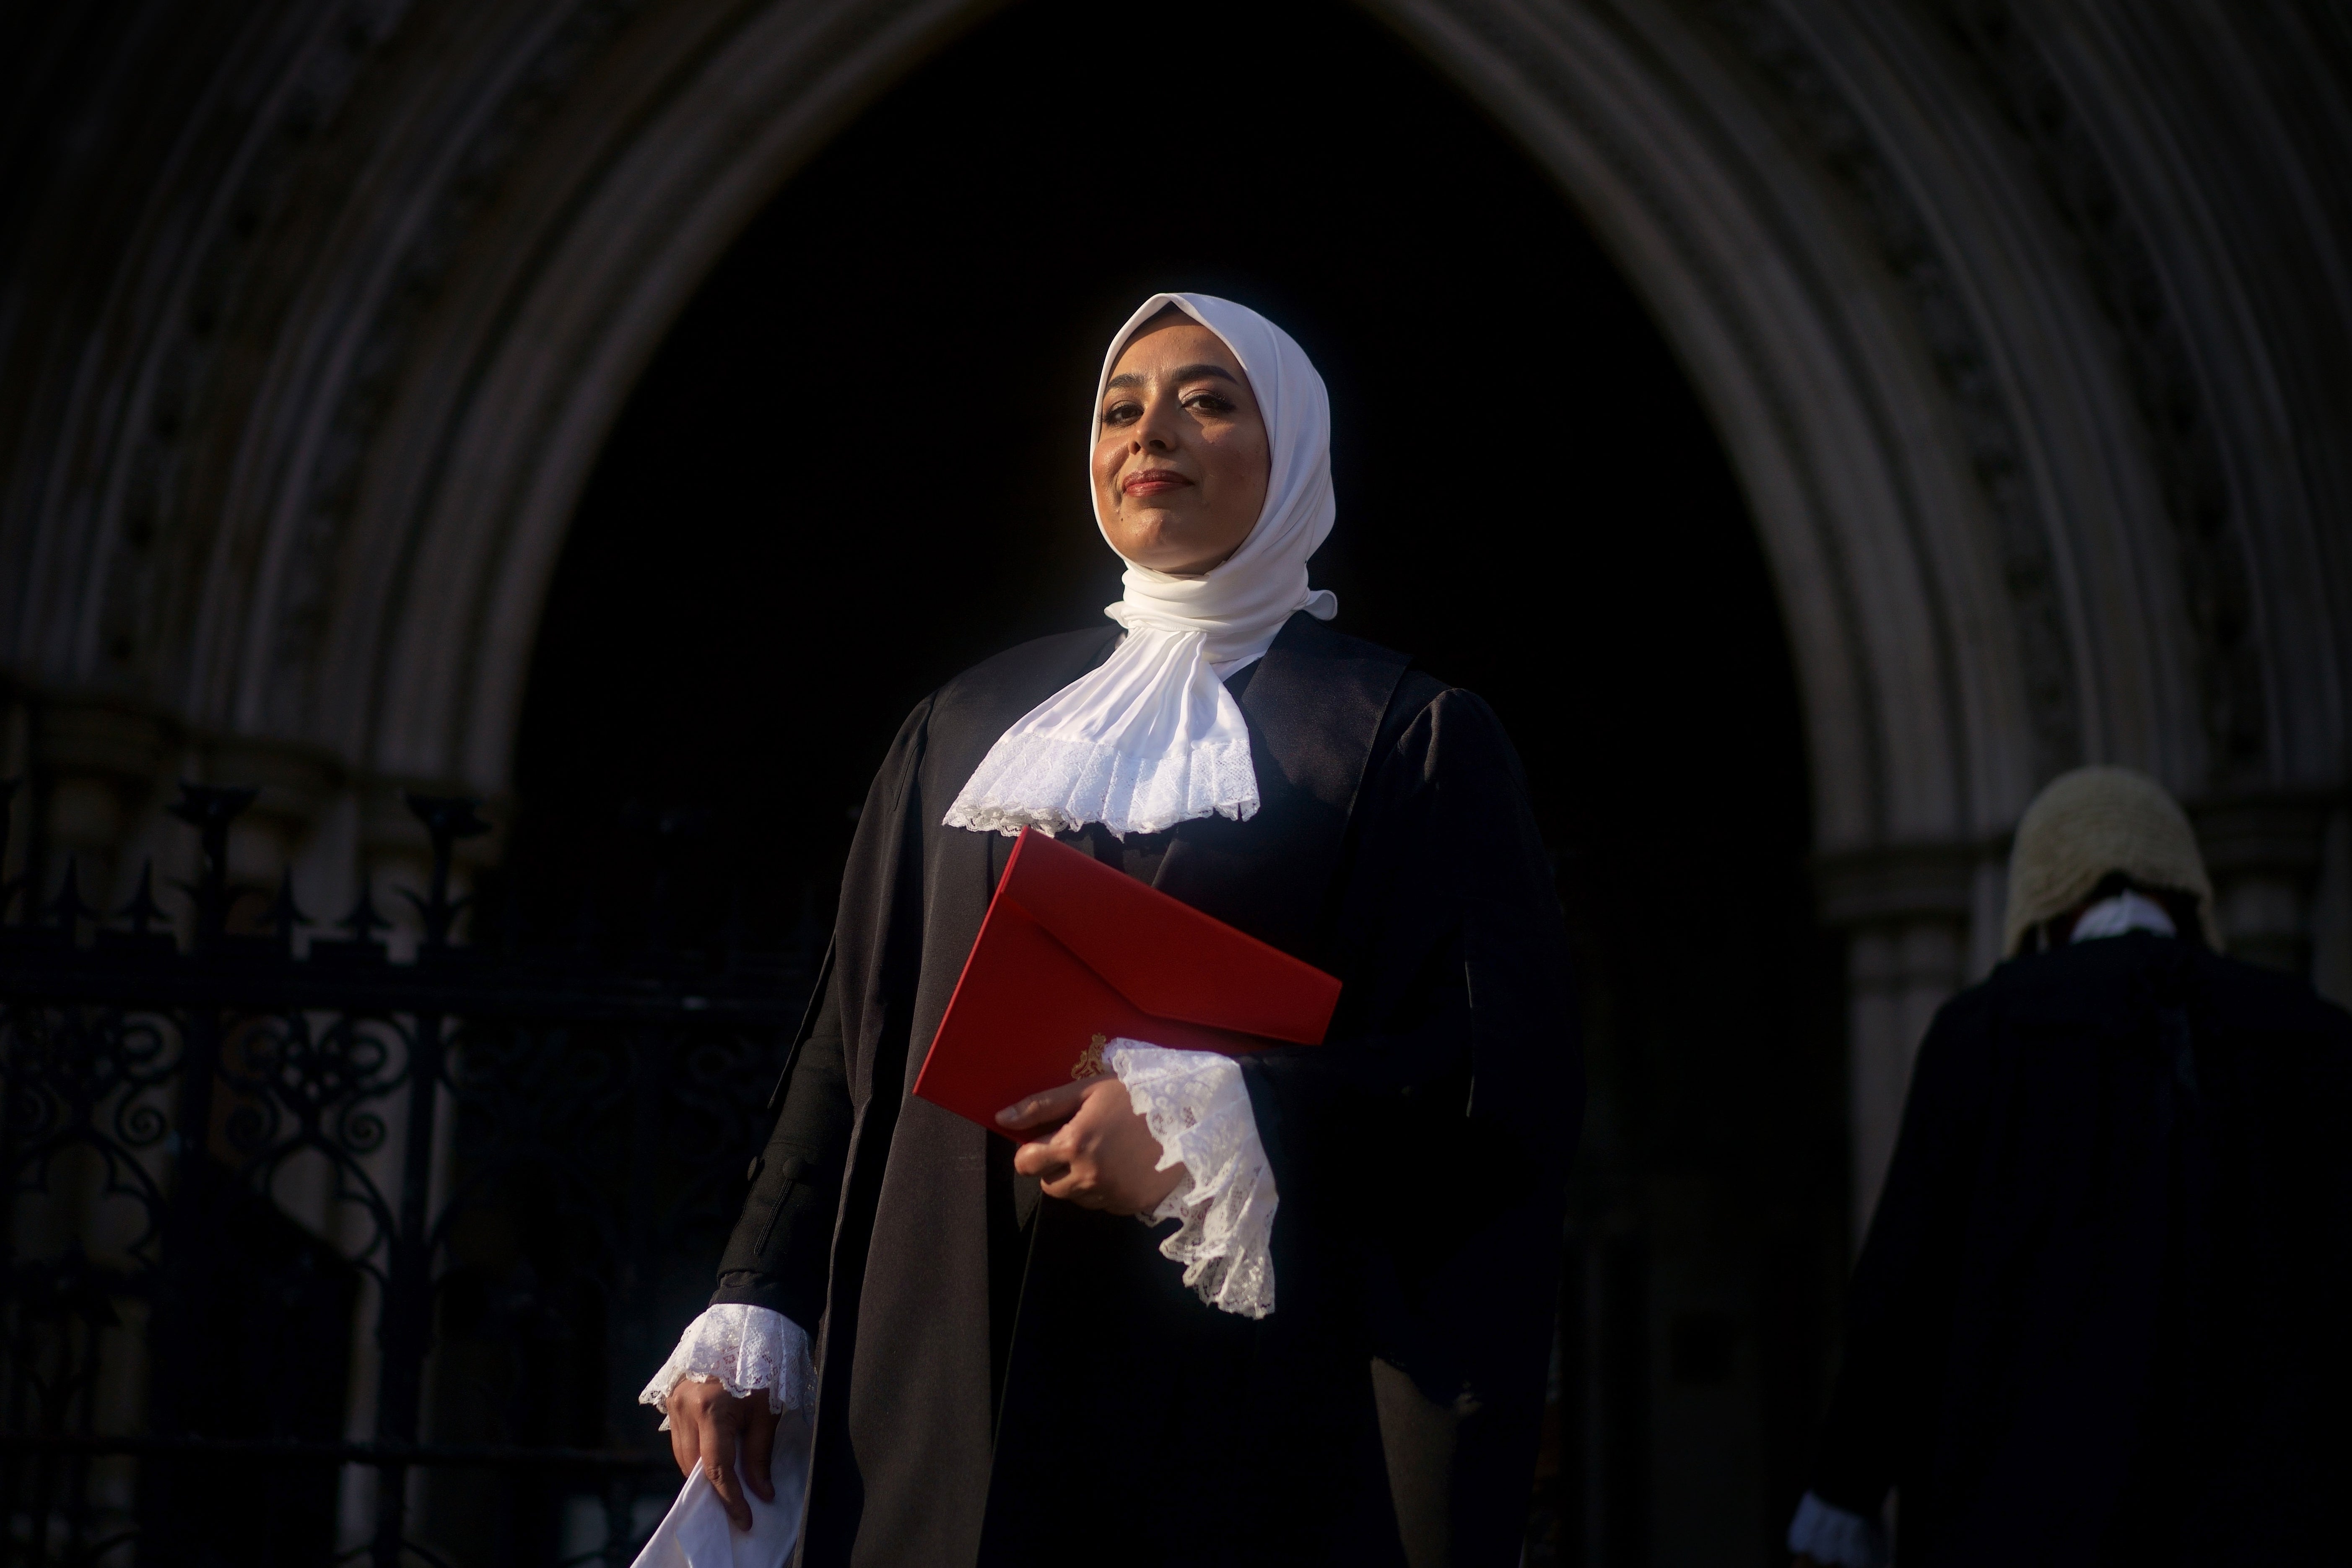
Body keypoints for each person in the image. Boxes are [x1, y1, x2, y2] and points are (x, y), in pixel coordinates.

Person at [638, 293, 1581, 1566]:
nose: (1155, 433)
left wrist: (1225, 1118)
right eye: (1121, 407)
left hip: (1236, 1393)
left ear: (1293, 445)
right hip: (946, 1348)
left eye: (1209, 399)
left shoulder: (1401, 736)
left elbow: (1489, 1081)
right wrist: (757, 1299)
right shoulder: (965, 723)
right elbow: (850, 1035)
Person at [1787, 766, 2352, 1566]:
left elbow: (1901, 1298)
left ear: (2044, 909)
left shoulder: (1983, 1033)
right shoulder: (2314, 1038)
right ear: (2190, 897)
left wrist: (1843, 1495)